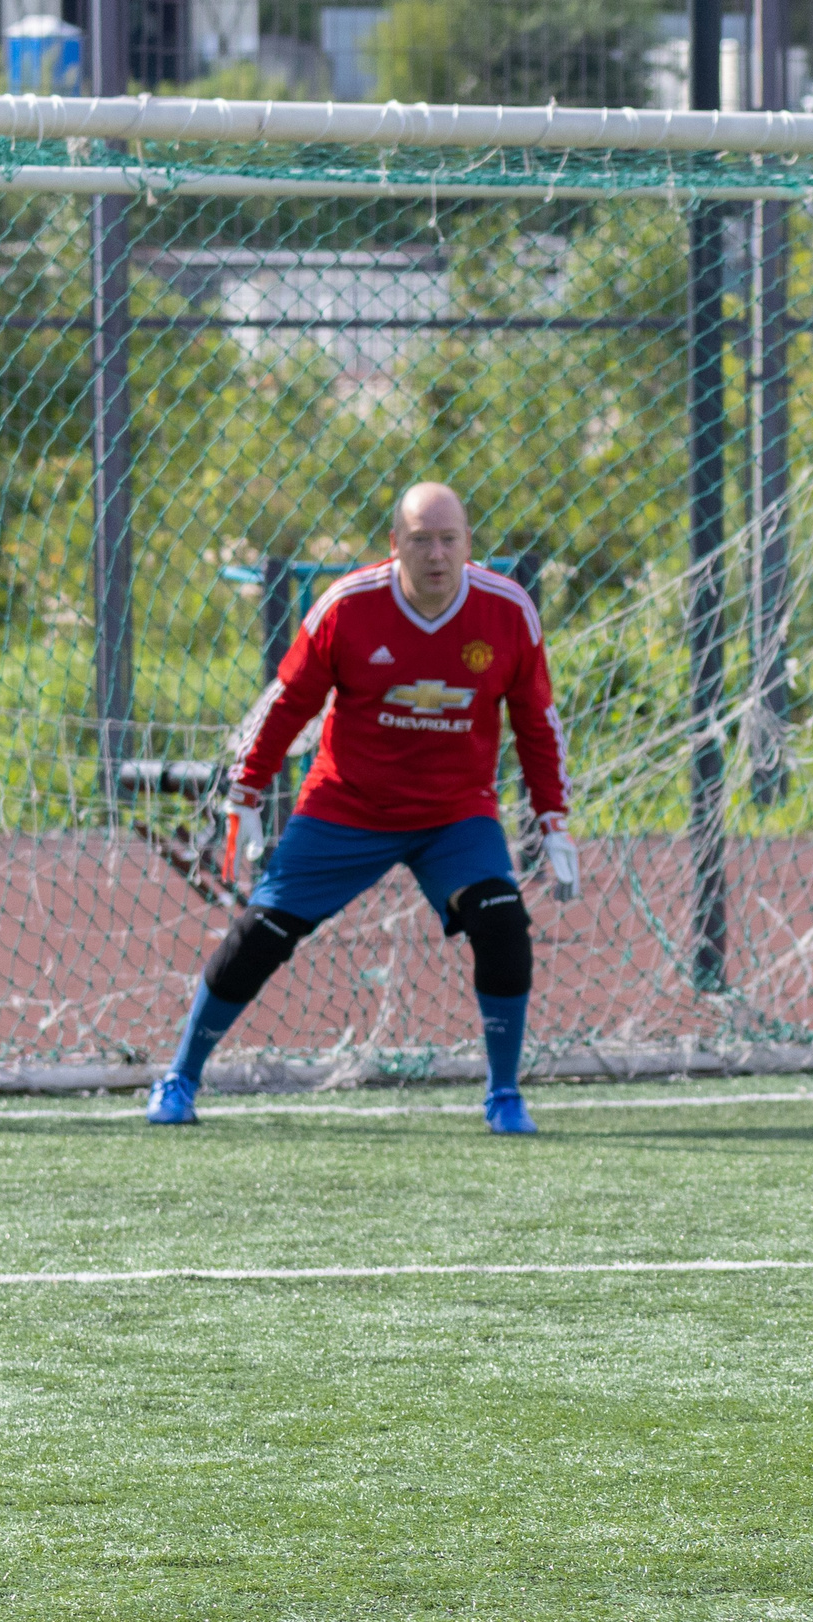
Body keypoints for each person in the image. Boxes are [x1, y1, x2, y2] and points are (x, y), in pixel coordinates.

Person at [145, 483, 577, 1134]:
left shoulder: (508, 611)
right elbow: (287, 701)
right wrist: (247, 793)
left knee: (503, 922)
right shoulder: (347, 607)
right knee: (261, 932)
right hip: (347, 804)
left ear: (468, 543)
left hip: (455, 813)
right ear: (395, 544)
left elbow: (537, 722)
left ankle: (504, 1095)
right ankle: (179, 1077)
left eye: (449, 539)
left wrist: (553, 820)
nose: (437, 554)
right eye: (422, 539)